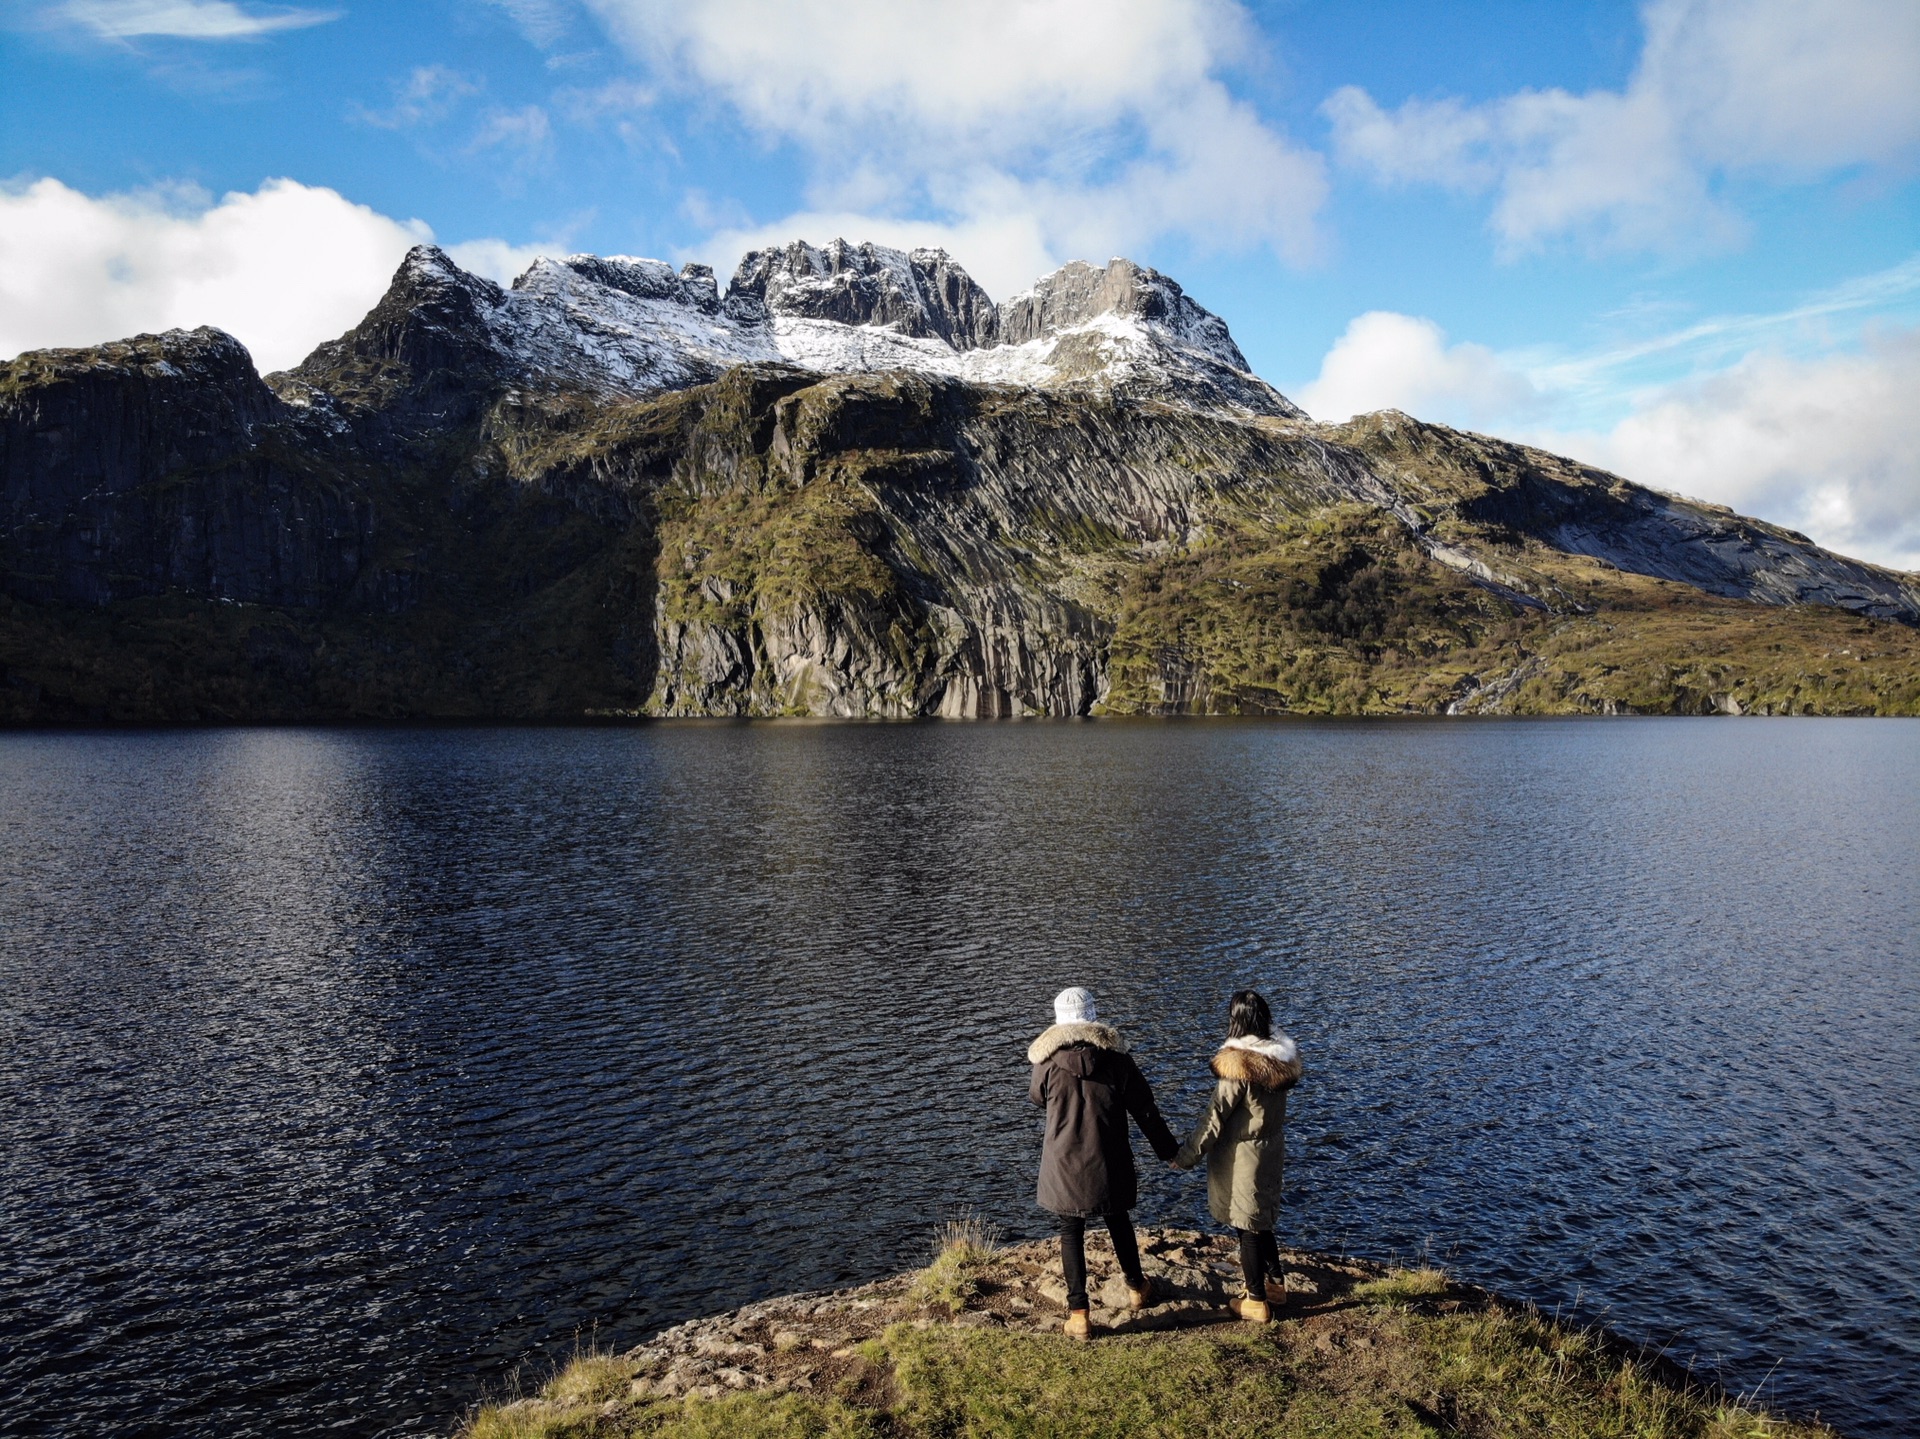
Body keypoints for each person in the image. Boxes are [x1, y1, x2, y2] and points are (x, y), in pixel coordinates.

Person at [1028, 985, 1180, 1339]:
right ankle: (1136, 1287)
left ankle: (1079, 1313)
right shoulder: (1117, 1059)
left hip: (1063, 1161)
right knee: (1118, 1220)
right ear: (1093, 1016)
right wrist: (1169, 1150)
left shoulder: (1046, 1063)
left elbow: (1037, 1099)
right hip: (1107, 1157)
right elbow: (1145, 1109)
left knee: (1071, 1232)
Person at [1173, 989, 1302, 1322]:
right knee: (1262, 1221)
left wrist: (1186, 1156)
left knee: (1246, 1227)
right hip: (1270, 1150)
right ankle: (1275, 1285)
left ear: (1236, 1020)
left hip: (1243, 1157)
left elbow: (1214, 1117)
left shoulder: (1238, 1065)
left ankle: (1256, 1300)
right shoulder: (1280, 1059)